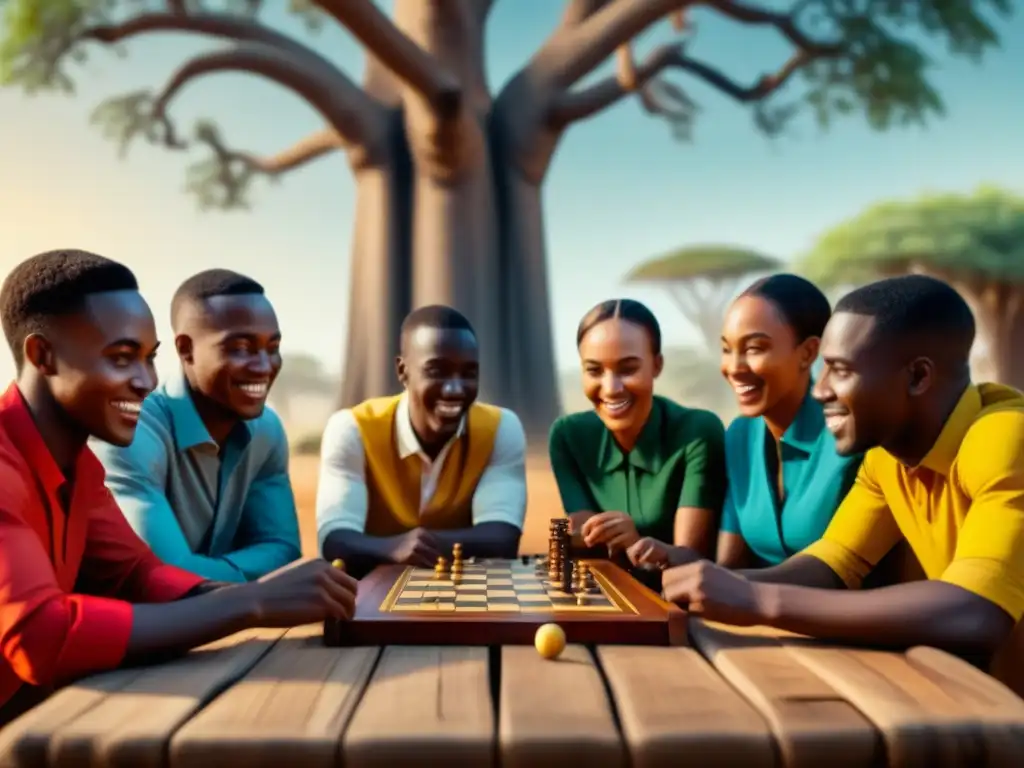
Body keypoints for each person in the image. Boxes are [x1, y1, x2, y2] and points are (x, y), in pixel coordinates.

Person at [0, 250, 355, 724]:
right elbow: (40, 637)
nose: (146, 381)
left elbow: (137, 575)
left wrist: (264, 594)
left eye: (149, 359)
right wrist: (252, 601)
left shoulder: (80, 467)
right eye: (122, 358)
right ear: (43, 356)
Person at [661, 274, 1024, 668]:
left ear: (918, 377)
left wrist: (757, 601)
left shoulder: (1005, 437)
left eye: (841, 370)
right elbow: (835, 562)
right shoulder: (887, 455)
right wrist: (695, 583)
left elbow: (976, 611)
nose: (820, 391)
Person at [629, 275, 860, 570]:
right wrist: (670, 556)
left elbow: (850, 575)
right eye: (727, 349)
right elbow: (729, 567)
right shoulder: (741, 435)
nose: (734, 368)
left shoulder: (849, 438)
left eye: (754, 348)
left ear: (808, 353)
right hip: (755, 610)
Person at [91, 269, 301, 582]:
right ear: (186, 350)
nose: (263, 366)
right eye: (241, 348)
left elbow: (282, 549)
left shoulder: (267, 429)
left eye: (272, 348)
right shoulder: (130, 429)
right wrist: (255, 583)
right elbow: (164, 574)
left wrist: (211, 577)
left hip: (218, 625)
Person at [317, 305, 527, 575]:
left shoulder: (500, 428)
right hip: (368, 597)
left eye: (468, 373)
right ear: (403, 371)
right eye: (436, 371)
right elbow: (335, 540)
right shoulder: (353, 428)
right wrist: (393, 548)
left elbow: (502, 539)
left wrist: (409, 545)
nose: (454, 389)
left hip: (459, 594)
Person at [549, 299, 726, 560]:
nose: (611, 388)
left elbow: (692, 560)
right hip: (608, 593)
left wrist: (636, 543)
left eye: (628, 369)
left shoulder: (698, 432)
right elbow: (592, 545)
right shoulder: (568, 436)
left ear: (657, 365)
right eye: (594, 370)